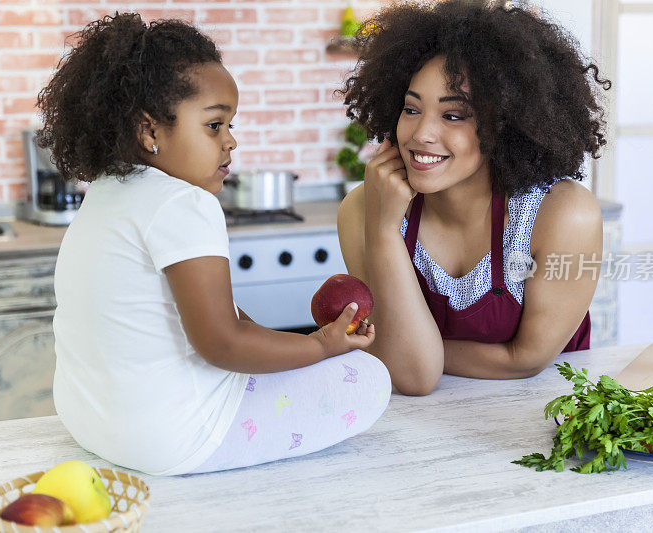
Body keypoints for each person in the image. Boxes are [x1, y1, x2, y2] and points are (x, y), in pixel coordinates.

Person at [39, 13, 391, 476]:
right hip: (173, 439)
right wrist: (321, 348)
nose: (231, 141)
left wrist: (299, 345)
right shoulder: (184, 203)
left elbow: (217, 321)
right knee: (369, 378)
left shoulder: (105, 193)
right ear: (149, 131)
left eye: (230, 125)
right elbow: (222, 343)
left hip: (93, 425)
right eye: (214, 126)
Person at [337, 1, 609, 395]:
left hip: (541, 421)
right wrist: (382, 229)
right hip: (411, 430)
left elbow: (526, 360)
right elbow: (410, 378)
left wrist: (404, 350)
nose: (420, 134)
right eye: (411, 109)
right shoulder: (364, 209)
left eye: (453, 115)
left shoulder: (563, 214)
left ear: (505, 123)